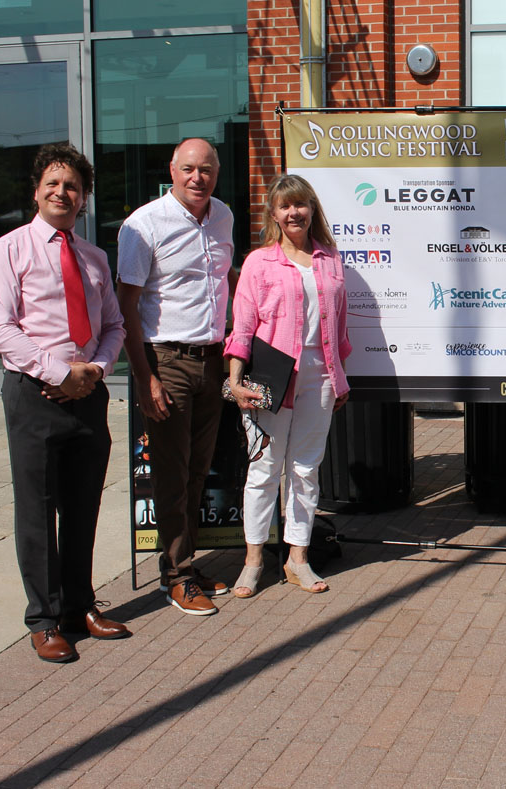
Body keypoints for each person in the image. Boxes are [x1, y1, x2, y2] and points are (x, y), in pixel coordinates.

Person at [0, 143, 130, 662]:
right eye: (53, 183)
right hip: (35, 396)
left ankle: (78, 607)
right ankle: (44, 620)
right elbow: (0, 326)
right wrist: (58, 373)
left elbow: (113, 325)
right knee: (37, 509)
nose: (61, 192)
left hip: (87, 394)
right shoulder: (10, 249)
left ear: (83, 197)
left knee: (83, 503)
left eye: (71, 186)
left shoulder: (93, 257)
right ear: (36, 191)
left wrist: (93, 371)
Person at [117, 138, 235, 616]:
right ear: (172, 170)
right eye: (188, 169)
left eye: (206, 169)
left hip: (212, 359)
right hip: (166, 361)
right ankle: (176, 577)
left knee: (195, 470)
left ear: (216, 173)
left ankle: (186, 563)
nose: (197, 178)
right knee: (170, 473)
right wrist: (145, 378)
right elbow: (126, 306)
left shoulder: (223, 216)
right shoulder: (143, 225)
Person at [225, 174, 351, 598]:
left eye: (301, 205)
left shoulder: (330, 259)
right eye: (285, 206)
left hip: (320, 378)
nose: (293, 212)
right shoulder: (259, 263)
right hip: (270, 380)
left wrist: (340, 378)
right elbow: (242, 327)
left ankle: (298, 559)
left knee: (304, 470)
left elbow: (340, 324)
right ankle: (254, 560)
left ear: (312, 209)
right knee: (263, 470)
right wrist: (235, 381)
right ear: (274, 214)